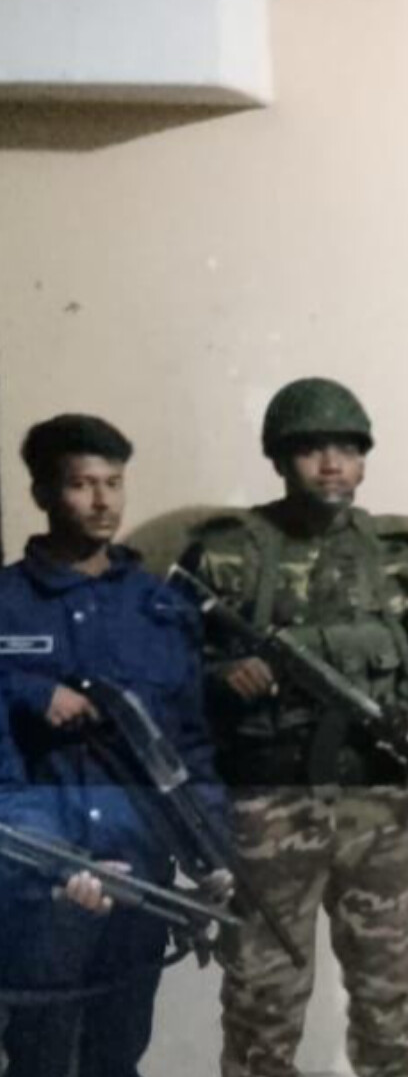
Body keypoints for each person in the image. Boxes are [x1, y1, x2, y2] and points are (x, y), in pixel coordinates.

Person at [179, 377, 408, 1077]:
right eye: (311, 450)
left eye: (347, 449)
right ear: (279, 458)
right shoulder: (228, 553)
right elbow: (170, 662)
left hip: (376, 802)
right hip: (270, 805)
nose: (332, 464)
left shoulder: (394, 554)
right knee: (263, 999)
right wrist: (223, 674)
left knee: (388, 994)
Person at [0, 414, 228, 1077]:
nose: (103, 501)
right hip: (38, 880)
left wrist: (213, 850)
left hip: (140, 870)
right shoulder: (7, 603)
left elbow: (189, 744)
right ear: (43, 493)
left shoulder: (160, 608)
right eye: (81, 484)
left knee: (119, 1050)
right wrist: (53, 859)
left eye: (114, 482)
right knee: (39, 1056)